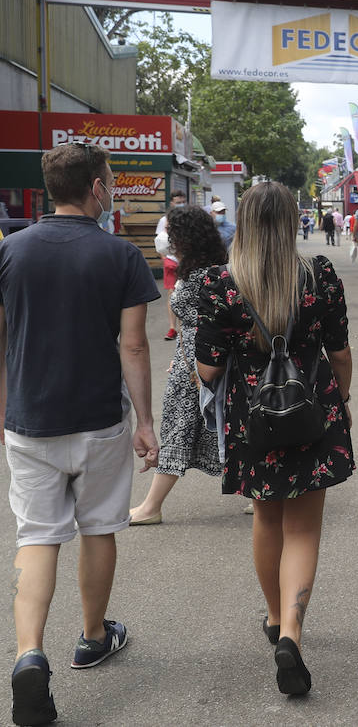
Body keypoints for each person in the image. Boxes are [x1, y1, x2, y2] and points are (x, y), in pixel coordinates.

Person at [0, 142, 160, 726]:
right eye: (111, 180)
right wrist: (145, 422)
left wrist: (5, 406)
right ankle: (93, 637)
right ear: (96, 187)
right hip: (99, 421)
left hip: (30, 420)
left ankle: (28, 655)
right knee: (97, 529)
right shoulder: (121, 256)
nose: (113, 187)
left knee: (38, 537)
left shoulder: (10, 251)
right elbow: (135, 346)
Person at [195, 181, 354, 698]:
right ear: (291, 222)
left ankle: (271, 615)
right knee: (304, 529)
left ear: (244, 221)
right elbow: (341, 350)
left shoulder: (219, 283)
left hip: (253, 416)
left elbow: (207, 369)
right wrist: (340, 398)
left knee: (266, 516)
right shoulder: (319, 275)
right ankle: (292, 632)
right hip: (312, 408)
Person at [129, 206, 229, 527]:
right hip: (193, 363)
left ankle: (151, 506)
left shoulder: (203, 275)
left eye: (170, 231)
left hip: (198, 369)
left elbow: (203, 326)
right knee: (223, 426)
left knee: (179, 430)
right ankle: (261, 494)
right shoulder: (208, 268)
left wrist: (192, 362)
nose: (165, 237)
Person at [156, 191, 188, 339]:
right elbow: (159, 240)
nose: (180, 204)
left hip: (186, 261)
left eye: (182, 201)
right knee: (171, 293)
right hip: (171, 261)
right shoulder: (165, 220)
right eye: (177, 201)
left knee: (186, 292)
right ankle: (172, 328)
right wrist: (164, 258)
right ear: (171, 203)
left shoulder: (188, 218)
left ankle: (185, 327)